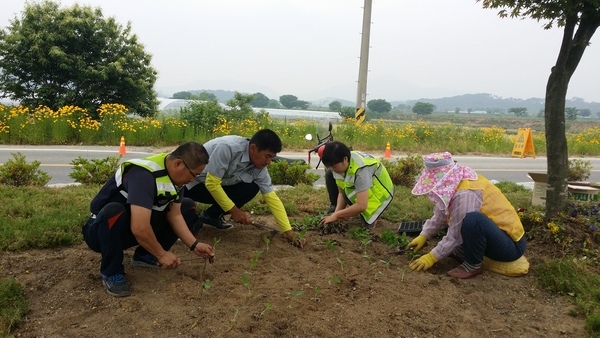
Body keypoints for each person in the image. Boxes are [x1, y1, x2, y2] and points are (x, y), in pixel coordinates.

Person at [82, 142, 215, 297]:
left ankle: (145, 256)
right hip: (101, 231)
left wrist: (194, 245)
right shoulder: (144, 175)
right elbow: (140, 227)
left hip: (130, 228)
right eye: (194, 175)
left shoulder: (175, 178)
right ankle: (112, 272)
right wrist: (162, 255)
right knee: (114, 211)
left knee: (187, 206)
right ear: (178, 164)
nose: (194, 180)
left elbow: (175, 215)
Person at [406, 152, 527, 279]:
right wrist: (424, 235)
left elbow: (456, 234)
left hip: (510, 246)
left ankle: (472, 265)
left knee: (472, 220)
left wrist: (431, 257)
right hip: (493, 234)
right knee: (459, 218)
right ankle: (463, 251)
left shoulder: (465, 194)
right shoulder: (456, 180)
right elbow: (442, 212)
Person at [184, 129, 306, 247]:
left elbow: (271, 198)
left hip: (215, 187)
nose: (269, 162)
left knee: (251, 187)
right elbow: (212, 183)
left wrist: (289, 232)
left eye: (272, 158)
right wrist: (234, 210)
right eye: (267, 156)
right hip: (190, 184)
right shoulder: (227, 148)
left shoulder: (260, 168)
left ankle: (211, 216)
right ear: (253, 148)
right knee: (183, 209)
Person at [318, 141, 395, 228]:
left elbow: (361, 206)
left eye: (334, 166)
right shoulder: (340, 164)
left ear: (345, 159)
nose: (332, 169)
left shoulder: (361, 171)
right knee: (345, 191)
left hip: (381, 193)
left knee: (367, 225)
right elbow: (341, 193)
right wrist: (337, 214)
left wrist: (336, 215)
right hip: (366, 187)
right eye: (330, 166)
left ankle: (375, 216)